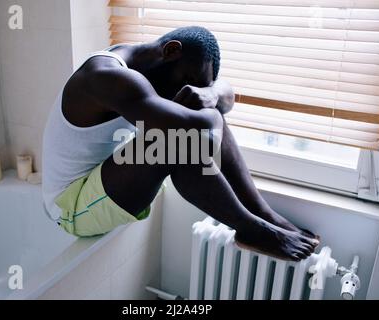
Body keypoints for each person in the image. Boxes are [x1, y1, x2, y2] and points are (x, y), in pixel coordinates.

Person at [42, 26, 319, 261]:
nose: (185, 90)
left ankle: (261, 212)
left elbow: (225, 96)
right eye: (187, 81)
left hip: (108, 176)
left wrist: (210, 95)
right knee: (179, 138)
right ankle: (249, 227)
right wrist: (211, 103)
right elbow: (202, 134)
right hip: (71, 206)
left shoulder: (141, 59)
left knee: (200, 114)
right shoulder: (107, 77)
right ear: (171, 51)